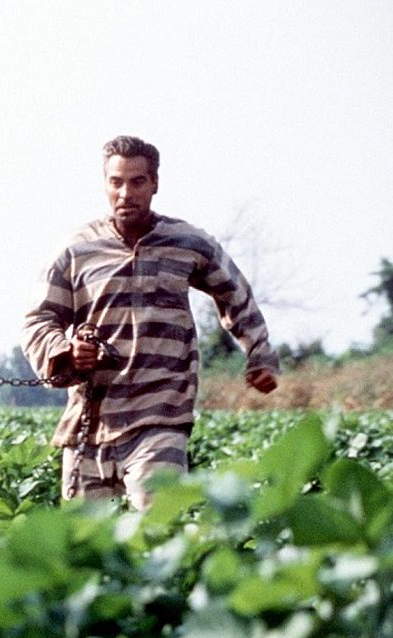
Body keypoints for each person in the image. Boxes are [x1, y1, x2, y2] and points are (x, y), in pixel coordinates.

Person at [22, 135, 278, 509]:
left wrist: (260, 355)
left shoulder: (188, 243)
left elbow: (235, 293)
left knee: (157, 530)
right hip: (91, 423)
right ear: (105, 184)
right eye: (116, 182)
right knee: (83, 551)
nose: (126, 193)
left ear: (155, 183)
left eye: (137, 182)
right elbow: (39, 319)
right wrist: (66, 352)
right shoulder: (76, 251)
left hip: (161, 417)